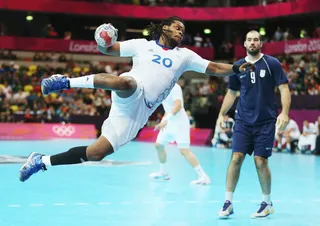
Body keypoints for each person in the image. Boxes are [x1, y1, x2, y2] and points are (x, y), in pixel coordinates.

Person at [19, 16, 253, 182]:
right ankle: (64, 82)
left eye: (183, 30)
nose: (181, 32)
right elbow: (109, 50)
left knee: (97, 153)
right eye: (176, 28)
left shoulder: (185, 56)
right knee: (126, 82)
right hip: (133, 91)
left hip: (139, 114)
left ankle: (41, 161)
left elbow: (212, 67)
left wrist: (234, 68)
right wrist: (103, 40)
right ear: (164, 29)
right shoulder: (142, 45)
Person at [216, 30, 291, 218]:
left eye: (256, 39)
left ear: (260, 43)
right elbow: (231, 93)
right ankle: (228, 202)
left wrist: (285, 113)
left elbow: (284, 89)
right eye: (249, 40)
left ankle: (267, 203)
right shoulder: (238, 66)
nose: (252, 43)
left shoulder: (272, 63)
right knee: (236, 158)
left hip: (265, 121)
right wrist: (221, 114)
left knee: (261, 161)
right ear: (245, 44)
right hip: (243, 120)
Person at [149, 83, 210, 185]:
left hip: (180, 123)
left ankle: (203, 176)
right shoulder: (161, 89)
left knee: (184, 150)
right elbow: (168, 109)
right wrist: (164, 120)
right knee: (159, 145)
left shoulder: (175, 87)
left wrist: (165, 120)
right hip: (169, 122)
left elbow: (177, 106)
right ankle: (164, 172)